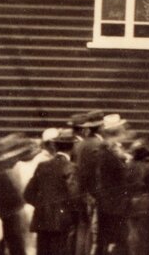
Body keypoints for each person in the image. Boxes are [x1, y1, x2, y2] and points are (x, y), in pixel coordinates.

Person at [24, 128, 79, 255]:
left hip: (41, 219)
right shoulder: (71, 167)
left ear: (54, 146)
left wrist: (43, 205)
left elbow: (27, 194)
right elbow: (74, 196)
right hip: (62, 220)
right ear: (73, 147)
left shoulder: (42, 166)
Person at [95, 113, 132, 255]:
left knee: (111, 241)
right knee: (115, 242)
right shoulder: (108, 154)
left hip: (111, 205)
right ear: (116, 132)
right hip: (114, 206)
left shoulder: (110, 151)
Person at [71, 109, 105, 255]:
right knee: (92, 232)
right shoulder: (98, 144)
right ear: (101, 125)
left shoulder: (80, 145)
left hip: (79, 191)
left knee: (82, 228)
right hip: (92, 193)